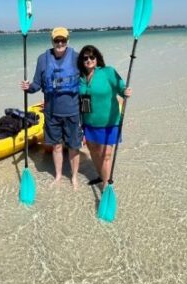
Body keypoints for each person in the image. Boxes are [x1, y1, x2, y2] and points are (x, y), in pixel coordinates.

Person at [20, 27, 82, 189]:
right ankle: (58, 176)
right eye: (56, 40)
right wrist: (28, 87)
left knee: (74, 147)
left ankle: (74, 177)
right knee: (56, 146)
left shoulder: (77, 57)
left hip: (73, 111)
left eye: (63, 40)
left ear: (68, 40)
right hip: (52, 113)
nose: (60, 43)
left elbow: (89, 80)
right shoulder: (43, 59)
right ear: (52, 41)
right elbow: (36, 85)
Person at [77, 44, 132, 191]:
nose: (89, 60)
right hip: (89, 122)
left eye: (92, 57)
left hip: (109, 122)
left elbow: (121, 87)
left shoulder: (108, 72)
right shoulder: (80, 77)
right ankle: (102, 176)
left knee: (106, 154)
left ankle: (107, 187)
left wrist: (125, 91)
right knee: (94, 151)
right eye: (85, 58)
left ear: (97, 58)